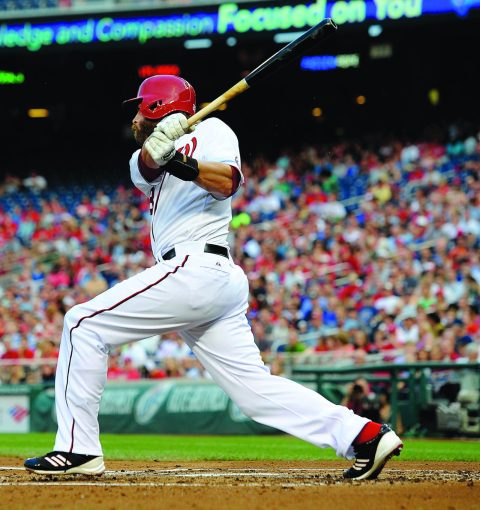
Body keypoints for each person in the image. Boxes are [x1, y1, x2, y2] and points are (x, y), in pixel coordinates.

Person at [24, 75, 402, 479]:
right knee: (253, 392)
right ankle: (363, 435)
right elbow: (146, 167)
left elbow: (227, 183)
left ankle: (78, 449)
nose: (135, 116)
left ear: (157, 107)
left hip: (197, 268)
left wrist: (180, 160)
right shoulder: (144, 157)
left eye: (141, 107)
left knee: (82, 323)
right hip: (200, 280)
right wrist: (161, 149)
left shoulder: (213, 129)